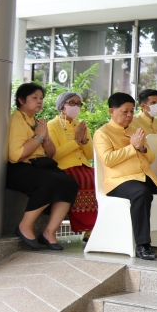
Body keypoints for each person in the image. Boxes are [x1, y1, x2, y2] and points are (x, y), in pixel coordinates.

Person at [94, 92, 157, 260]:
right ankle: (143, 245)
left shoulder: (136, 131)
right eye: (125, 111)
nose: (129, 115)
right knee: (141, 193)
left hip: (145, 177)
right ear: (111, 111)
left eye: (132, 111)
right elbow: (108, 160)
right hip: (119, 182)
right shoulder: (102, 133)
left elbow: (151, 157)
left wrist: (142, 148)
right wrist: (132, 147)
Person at [7, 83, 78, 250]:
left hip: (39, 165)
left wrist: (45, 139)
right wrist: (39, 137)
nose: (39, 102)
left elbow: (51, 153)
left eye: (41, 98)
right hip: (18, 167)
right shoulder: (15, 120)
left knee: (70, 183)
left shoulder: (36, 121)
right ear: (21, 100)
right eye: (34, 98)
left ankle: (49, 232)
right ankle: (25, 226)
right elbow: (16, 155)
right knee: (49, 181)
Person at [47, 91, 96, 241]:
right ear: (62, 106)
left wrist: (84, 140)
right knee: (83, 179)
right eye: (72, 103)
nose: (76, 106)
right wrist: (76, 142)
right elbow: (54, 154)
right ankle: (88, 227)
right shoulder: (52, 125)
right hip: (64, 167)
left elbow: (89, 155)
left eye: (78, 104)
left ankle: (95, 227)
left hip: (83, 165)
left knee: (99, 178)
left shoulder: (80, 125)